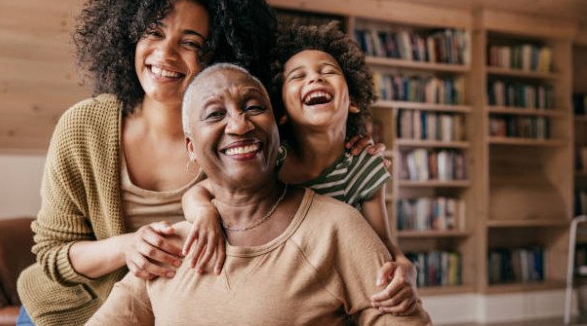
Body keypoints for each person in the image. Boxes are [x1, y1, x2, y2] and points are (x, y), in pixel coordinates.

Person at [87, 63, 432, 325]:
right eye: (216, 114)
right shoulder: (168, 249)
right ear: (192, 148)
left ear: (276, 129)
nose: (239, 125)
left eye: (253, 107)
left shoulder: (336, 227)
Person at [15, 0, 277, 325]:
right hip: (70, 311)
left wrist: (354, 140)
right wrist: (127, 247)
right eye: (153, 32)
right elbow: (52, 254)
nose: (165, 54)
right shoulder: (83, 126)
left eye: (190, 42)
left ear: (218, 56)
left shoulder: (237, 138)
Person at [182, 23, 419, 315]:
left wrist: (405, 266)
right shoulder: (270, 159)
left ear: (354, 99)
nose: (316, 77)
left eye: (328, 71)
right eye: (298, 76)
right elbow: (199, 192)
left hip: (334, 293)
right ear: (279, 111)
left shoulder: (364, 166)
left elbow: (381, 243)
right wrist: (203, 213)